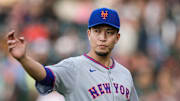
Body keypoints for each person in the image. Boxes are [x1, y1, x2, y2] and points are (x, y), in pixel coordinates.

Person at [7, 8, 139, 101]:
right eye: (97, 31)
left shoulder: (125, 74)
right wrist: (24, 59)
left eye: (109, 32)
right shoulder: (73, 67)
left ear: (117, 37)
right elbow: (45, 76)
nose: (102, 37)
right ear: (89, 34)